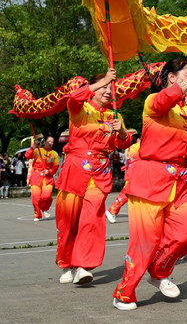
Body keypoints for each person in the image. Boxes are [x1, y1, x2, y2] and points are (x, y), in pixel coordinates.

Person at [112, 55, 187, 311]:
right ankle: (123, 293)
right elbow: (166, 99)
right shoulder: (154, 102)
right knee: (145, 242)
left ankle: (158, 271)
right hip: (150, 179)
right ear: (171, 77)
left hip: (179, 182)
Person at [55, 68, 131, 285]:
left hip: (100, 172)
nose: (108, 91)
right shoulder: (81, 109)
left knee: (92, 219)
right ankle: (65, 263)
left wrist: (122, 132)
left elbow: (123, 144)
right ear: (94, 88)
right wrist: (105, 79)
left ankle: (82, 265)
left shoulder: (115, 115)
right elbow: (73, 97)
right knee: (68, 220)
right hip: (75, 169)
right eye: (104, 87)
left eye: (110, 88)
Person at [106, 138, 140, 223]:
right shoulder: (137, 147)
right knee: (126, 193)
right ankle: (112, 210)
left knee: (135, 194)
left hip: (132, 171)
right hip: (135, 173)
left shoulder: (130, 148)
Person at [26, 135, 59, 221]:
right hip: (36, 176)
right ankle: (37, 214)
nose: (50, 143)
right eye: (49, 141)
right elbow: (27, 155)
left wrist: (49, 171)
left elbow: (55, 167)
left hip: (48, 177)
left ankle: (45, 208)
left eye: (52, 142)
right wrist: (32, 147)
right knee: (35, 198)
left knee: (47, 196)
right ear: (45, 142)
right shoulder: (37, 150)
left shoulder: (54, 154)